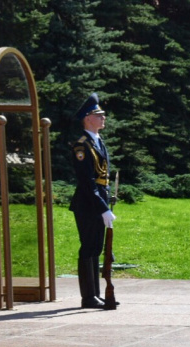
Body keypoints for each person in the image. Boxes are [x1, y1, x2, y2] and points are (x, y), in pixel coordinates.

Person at [70, 93, 116, 310]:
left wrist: (107, 201)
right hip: (88, 204)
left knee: (96, 248)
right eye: (99, 115)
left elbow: (101, 178)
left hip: (98, 202)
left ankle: (97, 295)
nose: (103, 117)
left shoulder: (98, 141)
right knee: (88, 248)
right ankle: (88, 297)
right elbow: (87, 181)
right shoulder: (81, 145)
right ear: (88, 118)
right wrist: (102, 208)